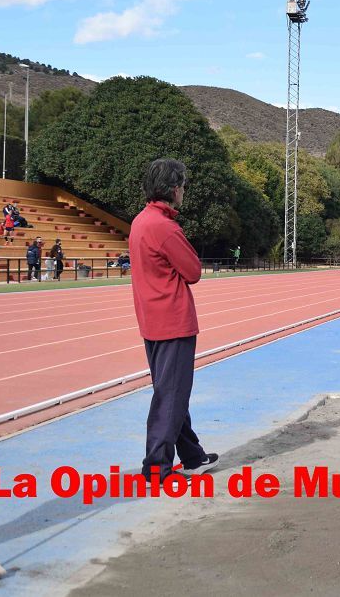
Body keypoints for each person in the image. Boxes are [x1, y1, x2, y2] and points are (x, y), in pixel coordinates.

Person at [129, 158, 218, 482]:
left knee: (171, 392)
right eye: (182, 185)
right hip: (173, 321)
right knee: (170, 397)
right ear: (173, 188)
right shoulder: (164, 227)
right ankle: (156, 468)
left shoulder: (141, 221)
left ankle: (192, 456)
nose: (184, 191)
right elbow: (193, 271)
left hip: (151, 320)